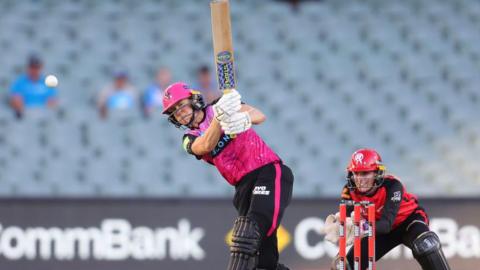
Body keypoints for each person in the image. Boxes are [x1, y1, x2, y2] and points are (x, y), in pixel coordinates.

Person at [162, 82, 294, 270]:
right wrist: (220, 119)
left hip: (268, 172)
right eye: (174, 111)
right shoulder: (189, 138)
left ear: (193, 99)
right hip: (242, 188)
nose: (179, 112)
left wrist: (243, 119)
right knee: (262, 261)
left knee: (247, 233)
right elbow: (205, 146)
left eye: (181, 105)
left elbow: (259, 115)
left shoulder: (220, 105)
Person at [323, 148, 451, 270]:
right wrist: (343, 233)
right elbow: (350, 220)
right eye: (356, 173)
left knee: (426, 244)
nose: (360, 179)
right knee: (342, 266)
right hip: (377, 230)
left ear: (377, 173)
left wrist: (361, 227)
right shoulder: (348, 190)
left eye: (365, 173)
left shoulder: (393, 185)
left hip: (407, 222)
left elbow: (386, 224)